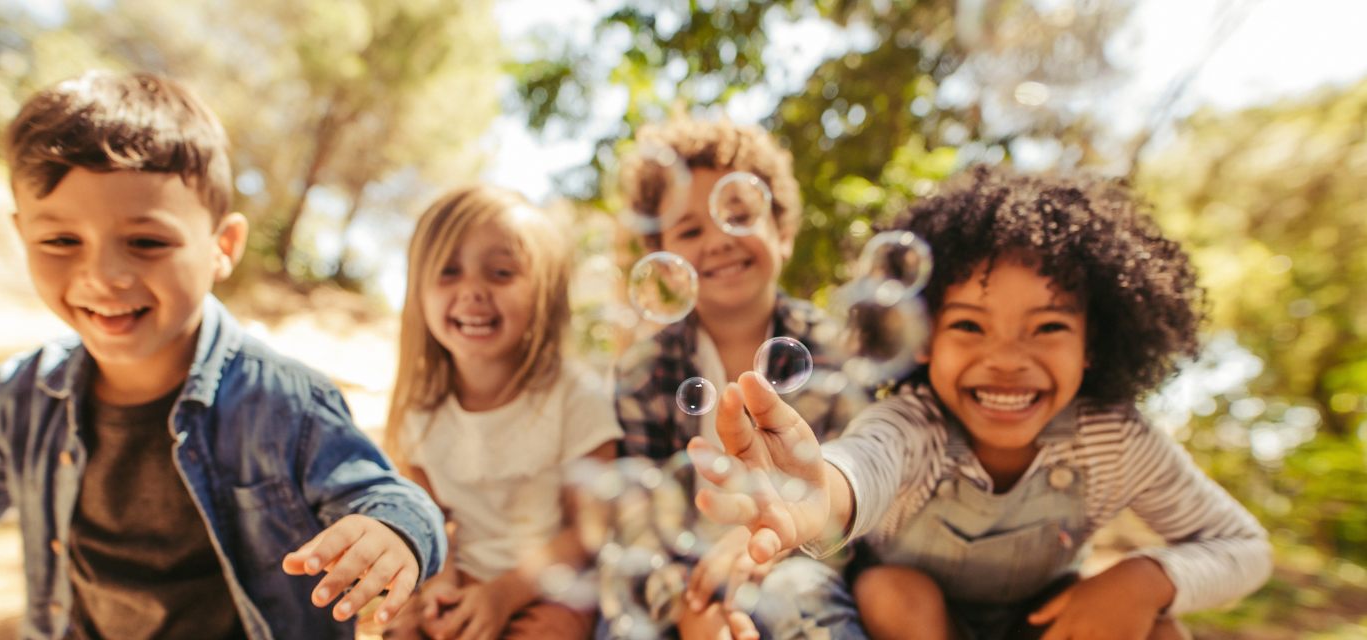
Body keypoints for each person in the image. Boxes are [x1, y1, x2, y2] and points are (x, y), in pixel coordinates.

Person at [0, 71, 446, 640]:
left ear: (222, 247)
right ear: (23, 236)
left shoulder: (285, 403)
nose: (103, 275)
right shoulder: (20, 398)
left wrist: (394, 532)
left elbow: (386, 495)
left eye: (147, 242)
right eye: (61, 241)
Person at [689, 166, 1273, 640]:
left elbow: (1245, 547)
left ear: (1093, 344)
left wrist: (1146, 578)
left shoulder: (1114, 439)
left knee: (1159, 628)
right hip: (911, 623)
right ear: (921, 337)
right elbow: (865, 461)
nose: (1007, 359)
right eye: (969, 325)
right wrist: (820, 490)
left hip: (1040, 623)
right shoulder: (914, 423)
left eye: (1048, 327)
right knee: (889, 592)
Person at [613, 116, 870, 640]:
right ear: (665, 263)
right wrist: (686, 607)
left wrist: (767, 549)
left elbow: (850, 497)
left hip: (796, 561)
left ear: (783, 233)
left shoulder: (833, 353)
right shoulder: (644, 372)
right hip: (681, 579)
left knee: (797, 597)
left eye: (738, 216)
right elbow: (638, 519)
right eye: (690, 230)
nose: (718, 240)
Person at [381, 185, 622, 640]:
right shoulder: (421, 408)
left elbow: (591, 528)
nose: (472, 290)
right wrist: (441, 584)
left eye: (501, 272)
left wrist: (504, 595)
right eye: (448, 271)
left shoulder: (574, 395)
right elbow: (428, 516)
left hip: (550, 587)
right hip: (459, 576)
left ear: (544, 293)